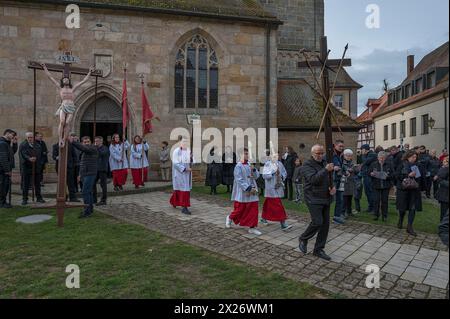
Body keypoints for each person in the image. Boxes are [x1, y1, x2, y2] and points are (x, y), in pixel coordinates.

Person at [41, 63, 94, 147]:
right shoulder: (60, 88)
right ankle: (60, 139)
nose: (66, 80)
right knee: (62, 121)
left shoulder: (72, 88)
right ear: (62, 81)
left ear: (69, 81)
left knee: (67, 122)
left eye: (67, 79)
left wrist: (89, 73)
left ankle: (64, 139)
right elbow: (50, 77)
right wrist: (44, 68)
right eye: (64, 79)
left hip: (71, 107)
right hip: (64, 106)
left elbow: (84, 81)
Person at [298, 144, 336, 261]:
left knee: (325, 225)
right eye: (317, 153)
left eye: (321, 153)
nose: (320, 155)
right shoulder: (306, 165)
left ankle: (318, 249)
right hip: (313, 197)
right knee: (317, 222)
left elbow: (329, 177)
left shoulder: (325, 162)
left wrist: (332, 187)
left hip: (325, 197)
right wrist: (325, 169)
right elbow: (314, 180)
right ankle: (303, 238)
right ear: (312, 153)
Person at [225, 148, 262, 236]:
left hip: (253, 189)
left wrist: (254, 170)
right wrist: (248, 188)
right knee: (240, 209)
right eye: (245, 154)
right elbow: (239, 179)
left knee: (253, 208)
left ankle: (252, 227)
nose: (247, 155)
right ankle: (230, 218)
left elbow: (257, 176)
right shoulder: (238, 166)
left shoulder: (250, 164)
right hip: (243, 191)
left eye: (248, 154)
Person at [260, 153, 293, 231]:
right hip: (271, 188)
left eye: (277, 156)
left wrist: (281, 176)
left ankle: (263, 218)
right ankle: (283, 224)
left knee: (268, 203)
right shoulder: (267, 164)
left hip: (278, 186)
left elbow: (284, 173)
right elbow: (264, 175)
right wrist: (273, 173)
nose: (276, 157)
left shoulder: (280, 163)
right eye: (274, 156)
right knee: (278, 205)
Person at [395, 150, 423, 236]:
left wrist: (417, 177)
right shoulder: (402, 164)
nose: (414, 159)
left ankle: (409, 227)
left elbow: (420, 177)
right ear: (408, 157)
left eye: (415, 157)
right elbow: (397, 176)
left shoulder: (417, 165)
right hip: (403, 190)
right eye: (412, 157)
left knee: (412, 208)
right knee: (402, 208)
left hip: (414, 190)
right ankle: (400, 220)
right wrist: (408, 175)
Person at [72, 136, 99, 218]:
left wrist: (73, 141)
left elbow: (84, 148)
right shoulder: (84, 152)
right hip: (84, 174)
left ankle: (86, 211)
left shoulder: (93, 148)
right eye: (85, 142)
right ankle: (90, 209)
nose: (86, 143)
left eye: (88, 141)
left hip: (90, 173)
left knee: (85, 192)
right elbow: (82, 164)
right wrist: (80, 175)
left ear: (90, 142)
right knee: (89, 192)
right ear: (82, 142)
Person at [19, 132, 45, 205]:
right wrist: (29, 158)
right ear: (26, 138)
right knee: (26, 184)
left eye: (31, 137)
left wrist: (39, 162)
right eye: (28, 137)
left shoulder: (38, 145)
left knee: (37, 183)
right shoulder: (23, 145)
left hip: (36, 167)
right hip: (26, 167)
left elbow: (40, 155)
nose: (30, 139)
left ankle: (39, 197)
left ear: (34, 137)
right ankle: (25, 199)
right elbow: (23, 154)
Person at [53, 135, 80, 202]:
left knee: (71, 183)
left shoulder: (70, 145)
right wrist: (57, 157)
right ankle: (63, 197)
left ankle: (72, 197)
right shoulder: (55, 146)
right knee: (61, 183)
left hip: (69, 167)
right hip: (59, 167)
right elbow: (54, 156)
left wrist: (72, 164)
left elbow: (74, 156)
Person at [170, 138, 193, 215]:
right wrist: (184, 169)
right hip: (180, 174)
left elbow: (193, 161)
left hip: (187, 174)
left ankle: (174, 201)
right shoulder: (176, 151)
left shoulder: (188, 150)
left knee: (182, 189)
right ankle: (184, 207)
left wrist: (191, 158)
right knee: (184, 190)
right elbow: (175, 163)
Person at [369, 151, 394, 222]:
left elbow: (393, 174)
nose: (381, 159)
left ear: (385, 158)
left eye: (383, 158)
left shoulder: (389, 164)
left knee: (384, 201)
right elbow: (368, 172)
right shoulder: (373, 164)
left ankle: (384, 216)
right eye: (380, 158)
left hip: (385, 185)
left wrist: (387, 176)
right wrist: (371, 174)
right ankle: (376, 215)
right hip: (376, 185)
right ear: (378, 157)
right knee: (376, 200)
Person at [0, 129, 18, 208]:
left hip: (5, 170)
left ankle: (3, 202)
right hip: (2, 170)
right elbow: (3, 158)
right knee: (3, 186)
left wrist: (14, 144)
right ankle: (1, 203)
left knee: (6, 186)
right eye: (12, 135)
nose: (13, 137)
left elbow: (11, 153)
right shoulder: (2, 143)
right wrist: (7, 170)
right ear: (7, 133)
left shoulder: (6, 143)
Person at [341, 149, 359, 219]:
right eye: (347, 155)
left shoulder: (353, 162)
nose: (349, 157)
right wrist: (347, 171)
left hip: (351, 182)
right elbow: (340, 171)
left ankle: (349, 212)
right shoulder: (342, 162)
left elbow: (357, 172)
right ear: (344, 155)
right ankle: (343, 212)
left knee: (350, 198)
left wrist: (355, 169)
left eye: (350, 156)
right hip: (344, 182)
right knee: (344, 199)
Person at [93, 136, 110, 206]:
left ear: (101, 141)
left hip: (102, 169)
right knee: (93, 183)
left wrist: (96, 148)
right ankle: (94, 199)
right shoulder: (95, 148)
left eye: (97, 141)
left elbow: (102, 154)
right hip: (95, 169)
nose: (96, 143)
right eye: (95, 141)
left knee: (103, 185)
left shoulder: (105, 148)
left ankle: (103, 200)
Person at [361, 144, 377, 213]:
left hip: (370, 177)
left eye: (362, 149)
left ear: (365, 149)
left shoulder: (372, 155)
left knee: (371, 192)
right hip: (365, 176)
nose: (361, 151)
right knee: (367, 192)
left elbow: (366, 162)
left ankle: (374, 208)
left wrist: (363, 155)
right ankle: (370, 207)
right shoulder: (367, 155)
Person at [332, 140, 345, 224]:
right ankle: (320, 216)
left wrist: (345, 171)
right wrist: (333, 168)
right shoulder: (331, 155)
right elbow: (324, 165)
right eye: (340, 146)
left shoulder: (340, 155)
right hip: (332, 180)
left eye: (342, 146)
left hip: (339, 179)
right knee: (328, 199)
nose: (341, 148)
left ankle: (336, 217)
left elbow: (341, 166)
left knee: (340, 199)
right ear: (335, 146)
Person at [435, 156, 448, 222]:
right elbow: (439, 179)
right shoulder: (444, 169)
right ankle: (443, 229)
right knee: (444, 214)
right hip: (445, 195)